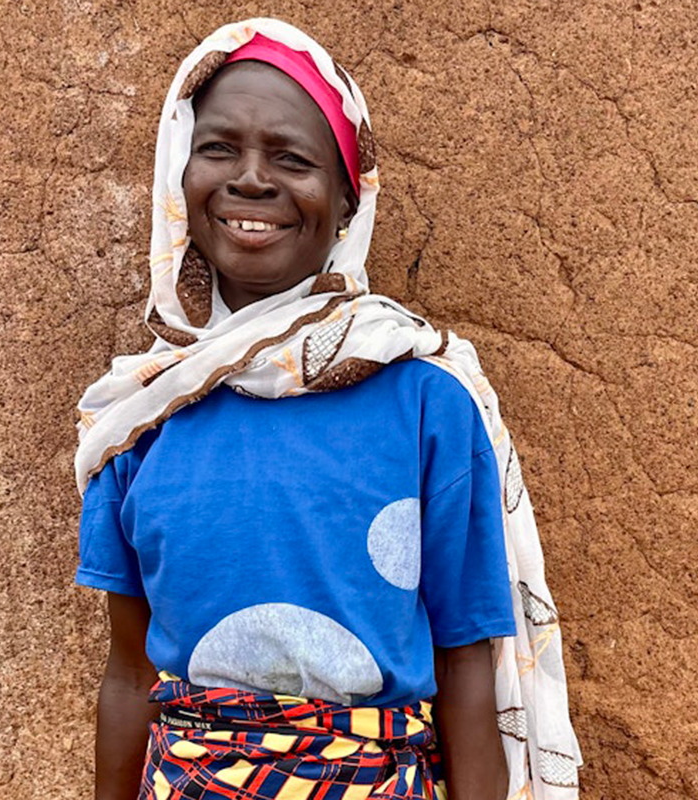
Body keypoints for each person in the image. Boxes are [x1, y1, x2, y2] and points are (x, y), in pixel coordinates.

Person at [73, 18, 580, 800]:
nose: (250, 180)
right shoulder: (140, 416)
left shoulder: (426, 401)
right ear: (178, 181)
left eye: (291, 158)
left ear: (348, 200)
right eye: (218, 149)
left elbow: (465, 668)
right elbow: (129, 674)